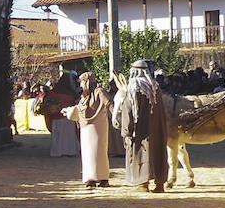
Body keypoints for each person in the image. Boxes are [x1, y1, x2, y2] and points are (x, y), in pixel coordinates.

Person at [113, 59, 169, 193]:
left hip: (141, 131)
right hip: (157, 129)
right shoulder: (155, 87)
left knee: (142, 153)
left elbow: (128, 111)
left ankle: (143, 184)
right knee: (157, 153)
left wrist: (126, 131)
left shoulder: (133, 88)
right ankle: (159, 184)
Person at [66, 72, 112, 188]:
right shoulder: (84, 97)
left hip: (99, 127)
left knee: (100, 151)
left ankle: (103, 178)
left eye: (82, 82)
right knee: (87, 153)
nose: (81, 85)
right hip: (85, 128)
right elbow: (81, 109)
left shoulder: (100, 92)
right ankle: (90, 178)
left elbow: (109, 103)